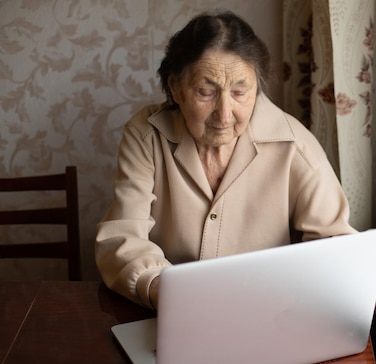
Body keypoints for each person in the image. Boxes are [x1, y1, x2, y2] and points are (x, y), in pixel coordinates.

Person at [95, 11, 356, 309]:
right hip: (170, 309)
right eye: (206, 92)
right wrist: (162, 289)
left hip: (264, 310)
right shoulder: (146, 136)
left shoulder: (294, 144)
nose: (224, 113)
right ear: (176, 88)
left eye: (240, 92)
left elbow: (336, 246)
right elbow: (123, 235)